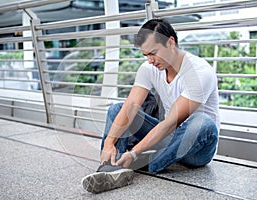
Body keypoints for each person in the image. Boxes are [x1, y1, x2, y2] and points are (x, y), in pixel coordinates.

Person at [82, 18, 220, 194]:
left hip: (197, 147)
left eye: (153, 53)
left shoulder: (200, 72)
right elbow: (130, 106)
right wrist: (109, 142)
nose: (150, 60)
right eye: (146, 55)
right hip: (168, 139)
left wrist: (134, 153)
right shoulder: (149, 68)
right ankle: (110, 170)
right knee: (117, 109)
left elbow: (171, 122)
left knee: (203, 122)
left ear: (171, 42)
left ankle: (140, 164)